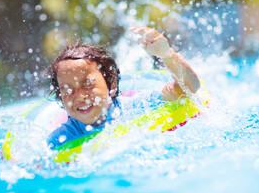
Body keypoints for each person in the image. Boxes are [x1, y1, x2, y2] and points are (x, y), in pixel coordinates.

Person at [46, 27, 200, 149]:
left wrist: (166, 54)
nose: (79, 96)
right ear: (61, 99)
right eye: (67, 91)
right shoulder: (60, 139)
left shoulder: (138, 107)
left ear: (111, 85)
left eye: (88, 84)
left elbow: (190, 88)